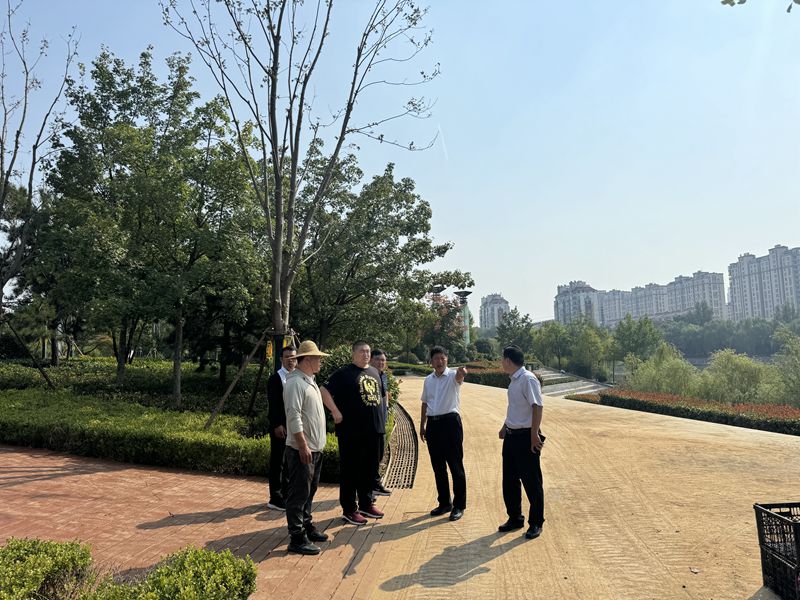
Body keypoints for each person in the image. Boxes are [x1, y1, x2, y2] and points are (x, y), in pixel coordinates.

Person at [321, 341, 385, 526]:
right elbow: (323, 390)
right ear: (353, 354)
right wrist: (335, 411)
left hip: (373, 431)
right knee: (351, 471)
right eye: (362, 351)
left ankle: (366, 503)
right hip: (351, 432)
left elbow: (380, 397)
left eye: (368, 351)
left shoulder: (374, 372)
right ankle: (349, 509)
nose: (366, 354)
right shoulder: (344, 373)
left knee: (369, 469)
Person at [283, 340, 330, 555]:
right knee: (299, 493)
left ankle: (306, 524)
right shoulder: (295, 383)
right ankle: (296, 537)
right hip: (302, 449)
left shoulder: (309, 381)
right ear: (308, 359)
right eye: (318, 358)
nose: (321, 362)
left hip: (314, 448)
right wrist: (302, 445)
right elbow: (293, 416)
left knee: (309, 491)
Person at [497, 345, 545, 540]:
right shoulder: (514, 380)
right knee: (509, 481)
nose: (501, 362)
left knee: (532, 482)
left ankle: (536, 522)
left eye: (502, 359)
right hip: (511, 436)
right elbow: (515, 408)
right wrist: (505, 426)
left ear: (508, 360)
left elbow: (537, 407)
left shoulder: (528, 379)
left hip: (526, 437)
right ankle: (515, 517)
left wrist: (534, 434)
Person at [419, 346, 467, 522]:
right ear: (431, 361)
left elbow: (460, 377)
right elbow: (425, 403)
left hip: (450, 424)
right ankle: (444, 503)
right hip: (433, 425)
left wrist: (462, 373)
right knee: (438, 467)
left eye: (442, 358)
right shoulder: (428, 380)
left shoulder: (453, 376)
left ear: (447, 360)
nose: (439, 361)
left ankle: (459, 505)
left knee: (455, 466)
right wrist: (422, 425)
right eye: (436, 358)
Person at [266, 345, 297, 511]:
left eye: (293, 357)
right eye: (287, 357)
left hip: (293, 427)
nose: (291, 360)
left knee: (289, 462)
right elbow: (274, 405)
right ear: (281, 359)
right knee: (278, 462)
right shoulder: (275, 379)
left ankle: (286, 493)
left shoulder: (297, 377)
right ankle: (275, 497)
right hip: (280, 427)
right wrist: (277, 424)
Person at [370, 348, 392, 497]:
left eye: (383, 360)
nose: (380, 362)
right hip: (370, 425)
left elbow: (385, 395)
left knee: (378, 456)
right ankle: (369, 488)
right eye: (377, 359)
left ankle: (374, 484)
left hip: (381, 423)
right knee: (370, 458)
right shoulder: (367, 376)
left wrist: (387, 407)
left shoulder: (383, 376)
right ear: (371, 360)